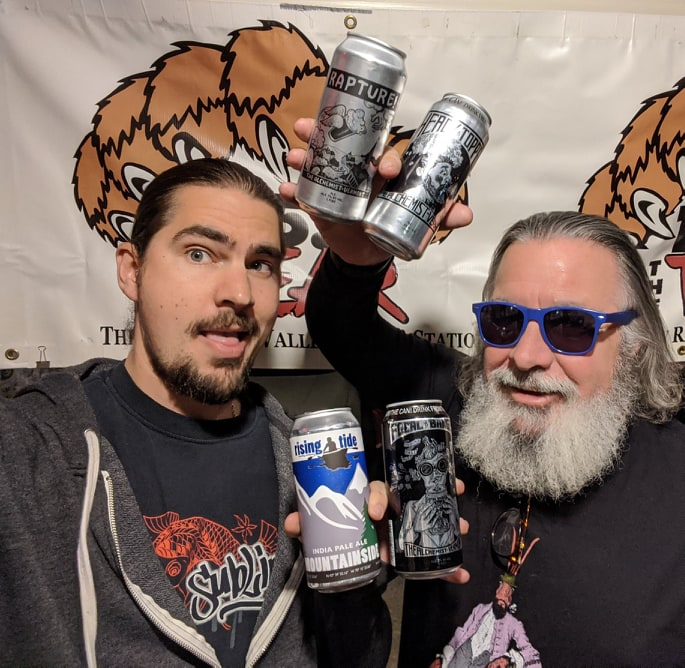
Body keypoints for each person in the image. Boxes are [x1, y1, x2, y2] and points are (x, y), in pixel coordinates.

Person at [280, 123, 685, 666]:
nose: (526, 356)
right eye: (504, 320)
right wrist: (359, 256)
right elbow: (342, 327)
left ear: (633, 348)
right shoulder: (455, 406)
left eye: (570, 327)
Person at [0, 158, 392, 667]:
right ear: (132, 270)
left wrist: (355, 590)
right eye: (200, 253)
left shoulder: (304, 463)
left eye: (261, 264)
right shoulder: (31, 447)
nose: (240, 293)